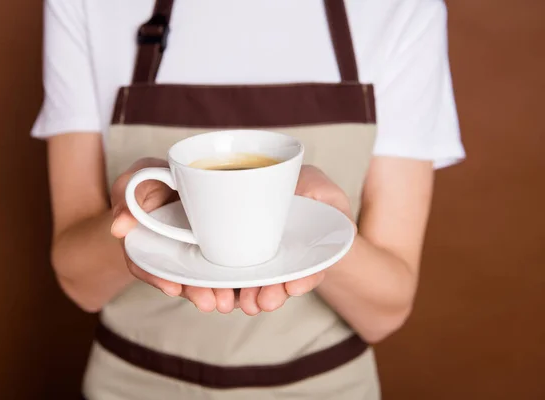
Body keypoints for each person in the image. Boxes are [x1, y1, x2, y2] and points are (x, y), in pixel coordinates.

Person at [32, 0, 465, 398]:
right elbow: (79, 283)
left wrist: (315, 224)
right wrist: (145, 215)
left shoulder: (404, 8)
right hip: (132, 385)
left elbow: (385, 311)